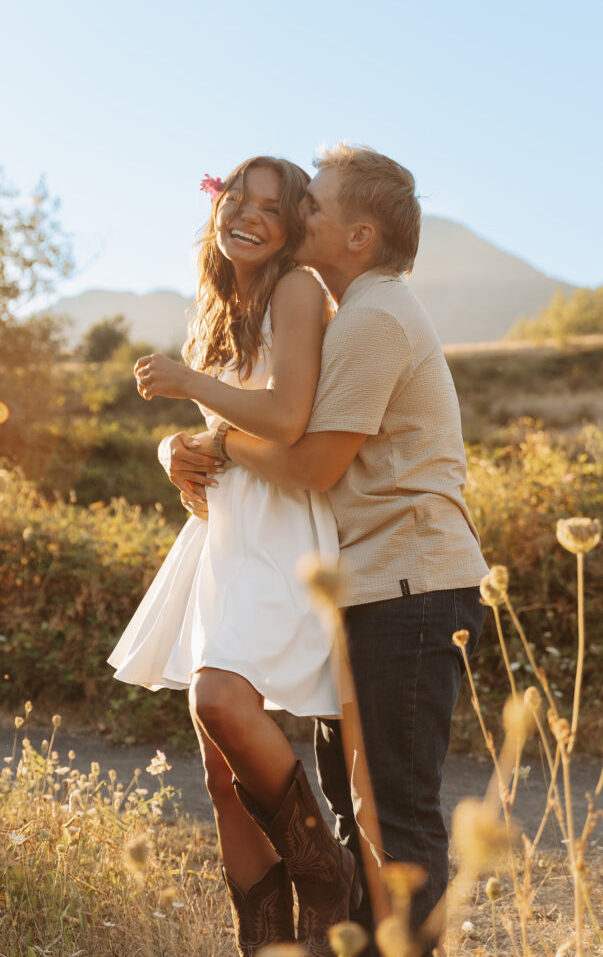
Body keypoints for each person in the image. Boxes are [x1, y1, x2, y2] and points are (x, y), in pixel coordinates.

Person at [161, 144, 490, 957]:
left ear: (359, 236)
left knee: (394, 815)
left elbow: (309, 464)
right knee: (355, 808)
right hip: (366, 583)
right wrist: (185, 445)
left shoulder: (375, 318)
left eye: (313, 206)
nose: (300, 213)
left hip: (408, 588)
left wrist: (221, 445)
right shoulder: (351, 309)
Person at [108, 155, 359, 957]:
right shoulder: (219, 304)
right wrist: (169, 448)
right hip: (222, 529)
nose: (244, 217)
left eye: (268, 209)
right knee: (219, 771)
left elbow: (284, 417)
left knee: (220, 698)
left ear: (292, 229)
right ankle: (269, 945)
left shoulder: (293, 290)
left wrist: (187, 387)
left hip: (281, 529)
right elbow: (217, 432)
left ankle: (329, 877)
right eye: (235, 202)